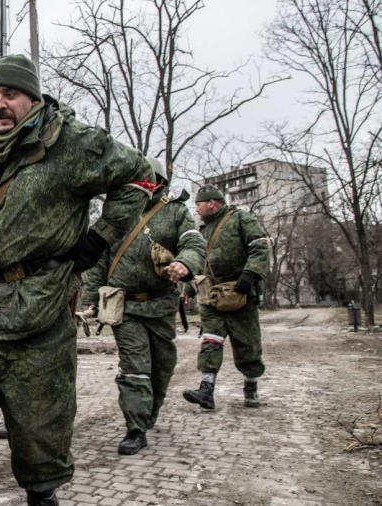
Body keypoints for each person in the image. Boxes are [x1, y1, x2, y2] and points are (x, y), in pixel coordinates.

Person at [0, 54, 154, 506]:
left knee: (40, 429)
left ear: (33, 98)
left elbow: (141, 177)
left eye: (10, 94)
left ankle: (42, 495)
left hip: (42, 304)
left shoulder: (72, 143)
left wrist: (99, 239)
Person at [80, 157, 205, 455]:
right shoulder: (118, 213)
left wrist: (184, 264)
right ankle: (135, 428)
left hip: (161, 305)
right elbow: (100, 259)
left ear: (159, 182)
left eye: (143, 179)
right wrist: (92, 299)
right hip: (126, 308)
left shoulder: (175, 212)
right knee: (135, 368)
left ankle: (150, 412)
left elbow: (193, 243)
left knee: (162, 366)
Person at [181, 184, 269, 410]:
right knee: (211, 339)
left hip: (239, 292)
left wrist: (250, 274)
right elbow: (199, 261)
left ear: (212, 203)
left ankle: (251, 388)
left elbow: (259, 246)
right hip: (210, 294)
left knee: (247, 344)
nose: (196, 209)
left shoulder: (241, 218)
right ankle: (206, 390)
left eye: (199, 204)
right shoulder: (202, 230)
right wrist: (189, 290)